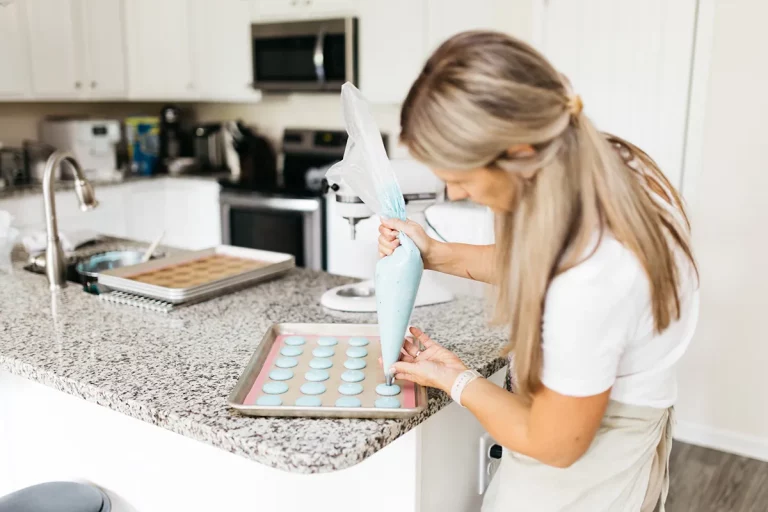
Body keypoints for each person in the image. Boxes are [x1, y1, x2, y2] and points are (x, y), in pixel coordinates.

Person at [377, 31, 699, 512]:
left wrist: (457, 380)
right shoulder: (601, 162)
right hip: (589, 412)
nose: (458, 194)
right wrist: (434, 252)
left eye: (461, 179)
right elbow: (537, 267)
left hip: (589, 444)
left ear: (521, 153)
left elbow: (555, 443)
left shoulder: (594, 269)